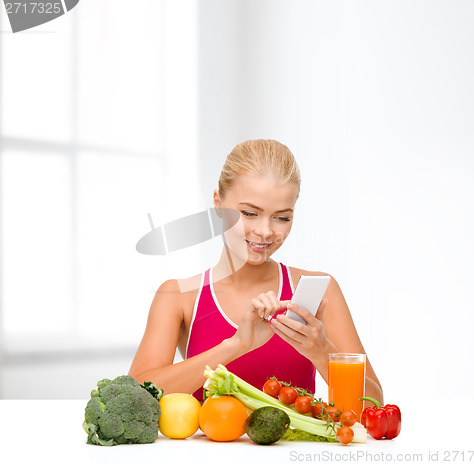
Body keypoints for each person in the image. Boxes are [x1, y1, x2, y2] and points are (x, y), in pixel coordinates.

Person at [129, 139, 383, 404]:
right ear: (218, 202)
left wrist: (321, 352)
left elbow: (374, 405)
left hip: (297, 447)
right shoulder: (179, 296)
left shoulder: (320, 289)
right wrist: (236, 345)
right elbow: (135, 396)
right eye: (249, 213)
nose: (265, 231)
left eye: (282, 217)